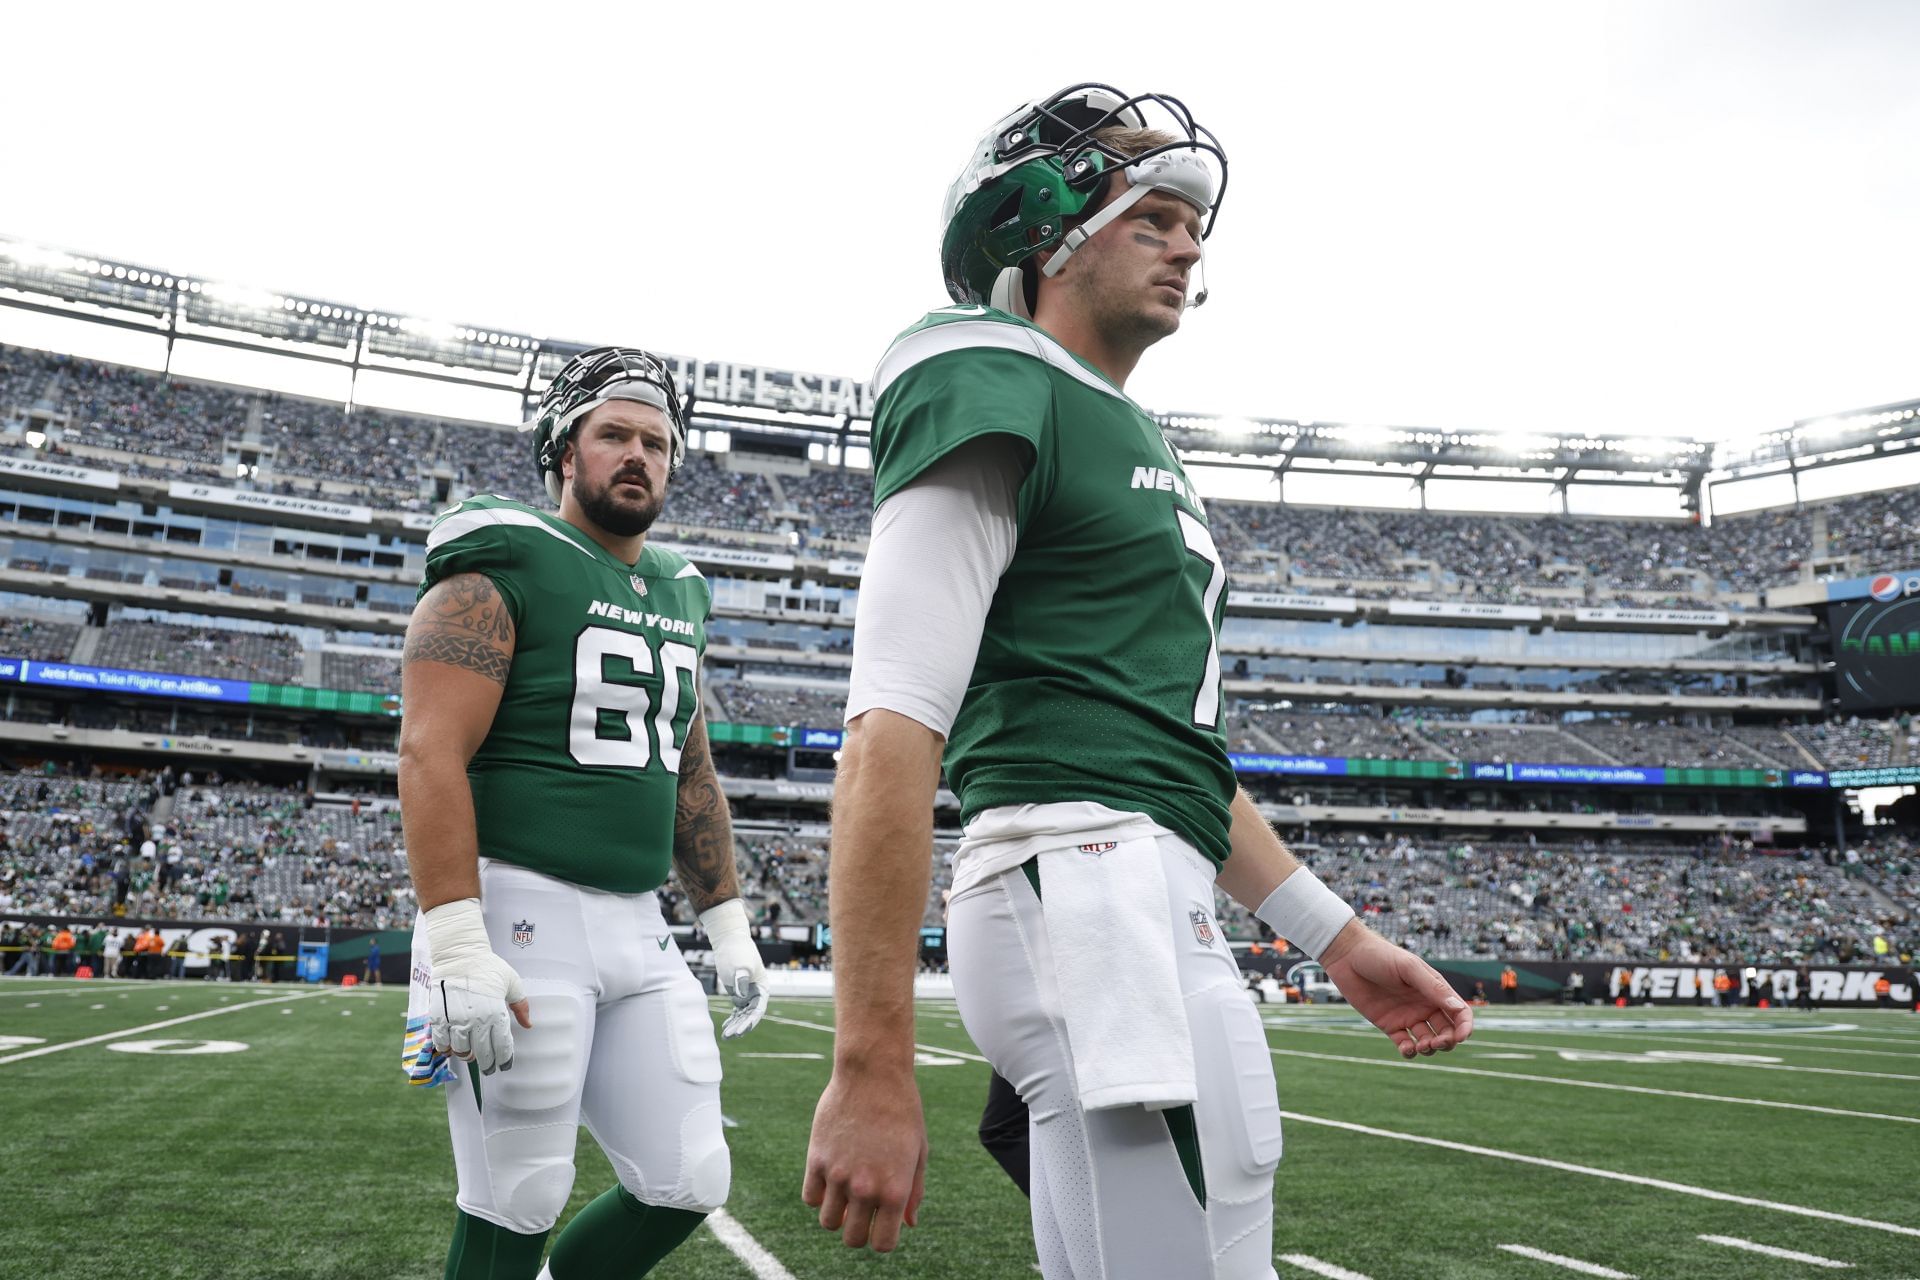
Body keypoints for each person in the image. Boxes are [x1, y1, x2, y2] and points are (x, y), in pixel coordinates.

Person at [802, 84, 1472, 1277]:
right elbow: (890, 725)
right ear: (1048, 226)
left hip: (1158, 885)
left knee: (1230, 1228)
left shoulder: (1138, 439)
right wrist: (870, 1058)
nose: (1187, 243)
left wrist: (1336, 936)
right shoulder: (987, 371)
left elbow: (1174, 761)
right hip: (1076, 877)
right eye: (1153, 215)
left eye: (1193, 226)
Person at [399, 346, 769, 1280]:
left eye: (657, 440)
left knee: (690, 1177)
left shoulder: (683, 589)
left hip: (638, 923)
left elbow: (688, 768)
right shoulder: (503, 561)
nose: (639, 454)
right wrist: (455, 939)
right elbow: (428, 750)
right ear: (566, 451)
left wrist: (726, 928)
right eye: (615, 435)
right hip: (518, 908)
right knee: (516, 1194)